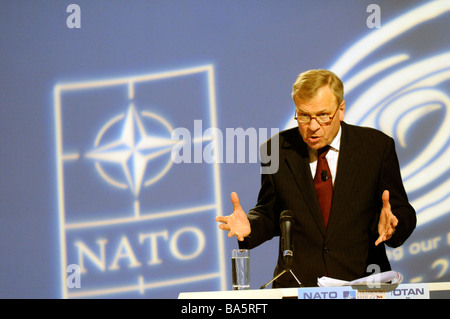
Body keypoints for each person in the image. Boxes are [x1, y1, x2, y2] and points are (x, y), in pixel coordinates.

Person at [215, 69, 416, 287]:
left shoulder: (376, 147)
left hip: (361, 282)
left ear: (341, 110)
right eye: (304, 115)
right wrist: (251, 226)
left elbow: (401, 210)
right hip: (300, 285)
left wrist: (395, 224)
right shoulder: (276, 150)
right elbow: (270, 212)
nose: (312, 126)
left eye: (323, 115)